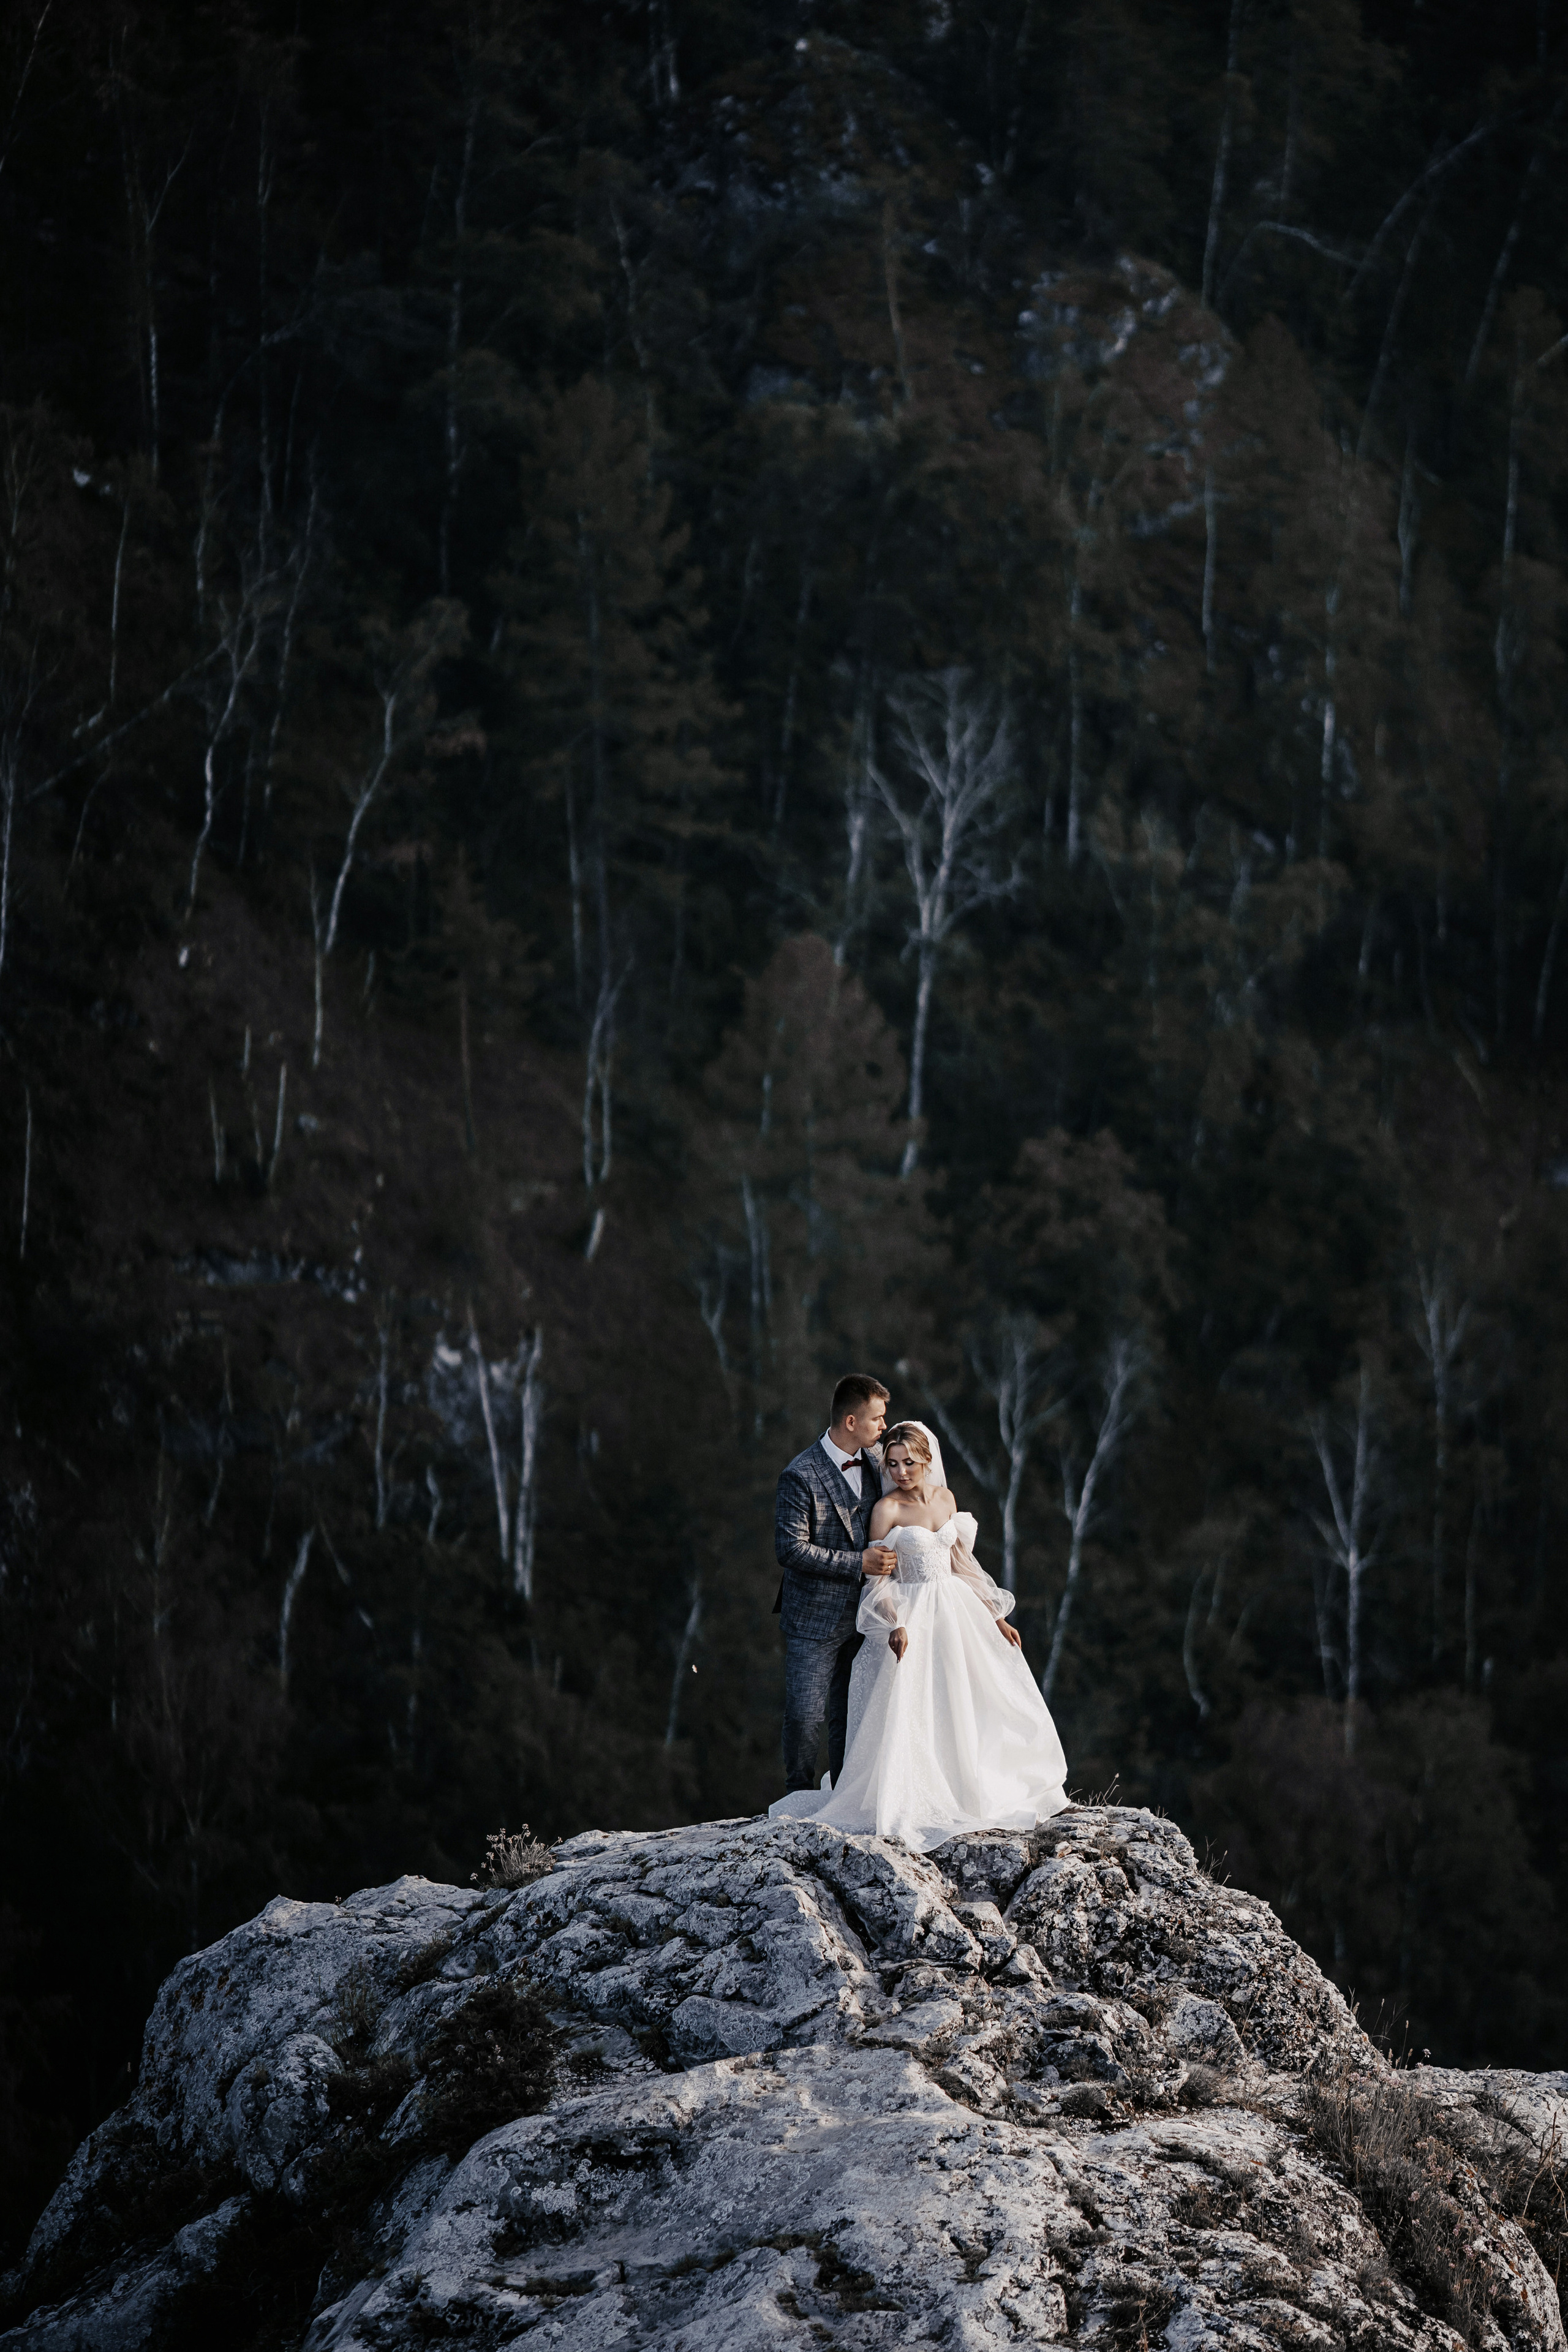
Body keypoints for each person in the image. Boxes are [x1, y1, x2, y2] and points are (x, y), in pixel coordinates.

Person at [768, 1419, 1070, 1850]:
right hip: (910, 1613)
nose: (900, 1472)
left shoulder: (947, 1500)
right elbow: (879, 1579)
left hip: (954, 1611)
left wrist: (995, 1616)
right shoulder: (886, 1510)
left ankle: (970, 1783)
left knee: (964, 1698)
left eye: (909, 1462)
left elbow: (963, 1564)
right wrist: (894, 1623)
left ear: (928, 1460)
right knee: (911, 1705)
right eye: (892, 1464)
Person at [773, 1374, 897, 1794]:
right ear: (850, 1421)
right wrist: (858, 1562)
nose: (884, 1427)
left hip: (866, 1616)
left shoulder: (881, 1463)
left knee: (852, 1712)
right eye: (877, 1419)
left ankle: (846, 1796)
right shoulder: (800, 1474)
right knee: (805, 1715)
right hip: (812, 1617)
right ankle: (797, 1796)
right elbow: (790, 1550)